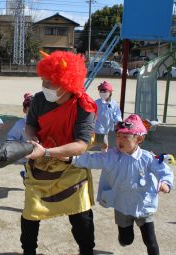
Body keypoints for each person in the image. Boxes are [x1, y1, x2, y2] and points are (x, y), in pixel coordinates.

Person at [23, 51, 97, 255]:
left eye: (50, 82)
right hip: (40, 167)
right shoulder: (38, 100)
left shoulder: (84, 105)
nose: (44, 86)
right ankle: (28, 251)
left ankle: (86, 250)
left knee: (81, 216)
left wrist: (46, 151)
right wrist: (32, 140)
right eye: (43, 80)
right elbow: (30, 126)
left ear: (67, 83)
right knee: (30, 213)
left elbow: (81, 144)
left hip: (71, 166)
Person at [66, 114, 173, 255]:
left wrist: (166, 183)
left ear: (139, 139)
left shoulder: (148, 158)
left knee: (150, 240)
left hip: (143, 204)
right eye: (118, 136)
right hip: (122, 205)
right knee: (126, 239)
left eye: (125, 137)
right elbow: (93, 159)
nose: (119, 140)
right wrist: (71, 158)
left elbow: (164, 170)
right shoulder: (111, 156)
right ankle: (124, 236)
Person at [6, 93, 33, 179]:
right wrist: (17, 150)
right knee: (30, 178)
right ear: (24, 110)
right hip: (26, 157)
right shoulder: (20, 124)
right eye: (30, 111)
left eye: (36, 110)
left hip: (41, 156)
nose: (34, 114)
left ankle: (26, 175)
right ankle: (26, 176)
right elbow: (11, 138)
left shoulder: (43, 122)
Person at [92, 81, 122, 152]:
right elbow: (91, 113)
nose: (103, 93)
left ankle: (103, 157)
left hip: (106, 129)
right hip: (96, 128)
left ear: (110, 93)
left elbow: (117, 114)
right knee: (95, 143)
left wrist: (118, 121)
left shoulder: (113, 103)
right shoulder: (96, 103)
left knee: (103, 145)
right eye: (101, 91)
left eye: (105, 91)